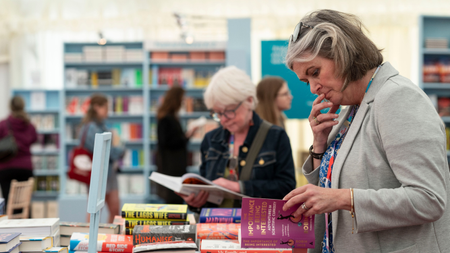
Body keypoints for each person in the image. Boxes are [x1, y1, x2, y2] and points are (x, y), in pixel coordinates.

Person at [282, 9, 450, 252]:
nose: (312, 88)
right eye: (305, 81)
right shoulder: (351, 109)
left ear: (343, 53)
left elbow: (429, 200)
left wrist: (343, 198)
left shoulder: (397, 98)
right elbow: (330, 192)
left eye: (315, 73)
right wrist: (319, 146)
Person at [177, 66, 296, 210]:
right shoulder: (210, 140)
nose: (222, 120)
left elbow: (286, 188)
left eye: (228, 111)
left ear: (249, 101)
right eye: (217, 113)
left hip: (256, 228)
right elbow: (206, 191)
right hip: (214, 229)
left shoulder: (275, 136)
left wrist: (239, 187)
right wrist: (196, 203)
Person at [80, 94, 125, 223]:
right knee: (95, 212)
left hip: (108, 173)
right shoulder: (91, 128)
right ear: (96, 107)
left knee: (115, 209)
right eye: (105, 107)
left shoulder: (100, 126)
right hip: (98, 174)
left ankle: (109, 238)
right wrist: (120, 149)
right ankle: (90, 240)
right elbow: (105, 152)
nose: (107, 111)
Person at [156, 86, 198, 204]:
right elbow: (168, 142)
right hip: (171, 167)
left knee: (177, 200)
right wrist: (186, 137)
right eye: (182, 99)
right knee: (174, 202)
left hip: (174, 166)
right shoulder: (166, 119)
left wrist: (185, 137)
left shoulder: (170, 117)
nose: (183, 102)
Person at [0, 96, 37, 210]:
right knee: (25, 204)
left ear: (10, 107)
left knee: (8, 204)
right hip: (26, 169)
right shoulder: (29, 126)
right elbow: (34, 139)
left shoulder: (3, 124)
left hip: (7, 168)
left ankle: (11, 226)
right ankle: (27, 225)